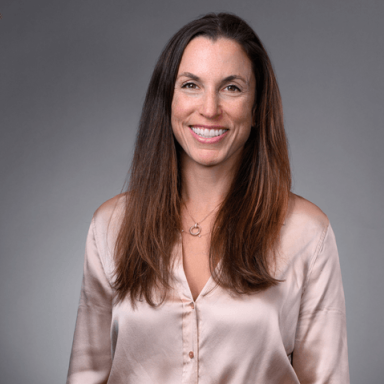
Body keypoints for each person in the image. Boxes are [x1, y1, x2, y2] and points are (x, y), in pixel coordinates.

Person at [66, 12, 349, 384]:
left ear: (256, 108)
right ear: (167, 100)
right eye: (191, 85)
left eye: (231, 87)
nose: (210, 109)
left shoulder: (307, 232)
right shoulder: (111, 226)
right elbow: (87, 374)